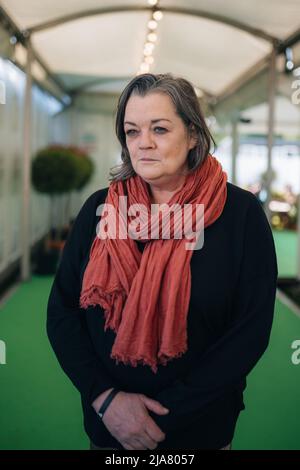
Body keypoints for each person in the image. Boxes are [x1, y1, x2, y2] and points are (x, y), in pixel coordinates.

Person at [47, 73, 278, 450]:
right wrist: (107, 401)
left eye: (159, 128)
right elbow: (62, 312)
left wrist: (165, 412)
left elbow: (249, 331)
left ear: (192, 135)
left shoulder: (240, 214)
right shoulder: (99, 210)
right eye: (132, 131)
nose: (144, 144)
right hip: (111, 430)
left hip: (202, 429)